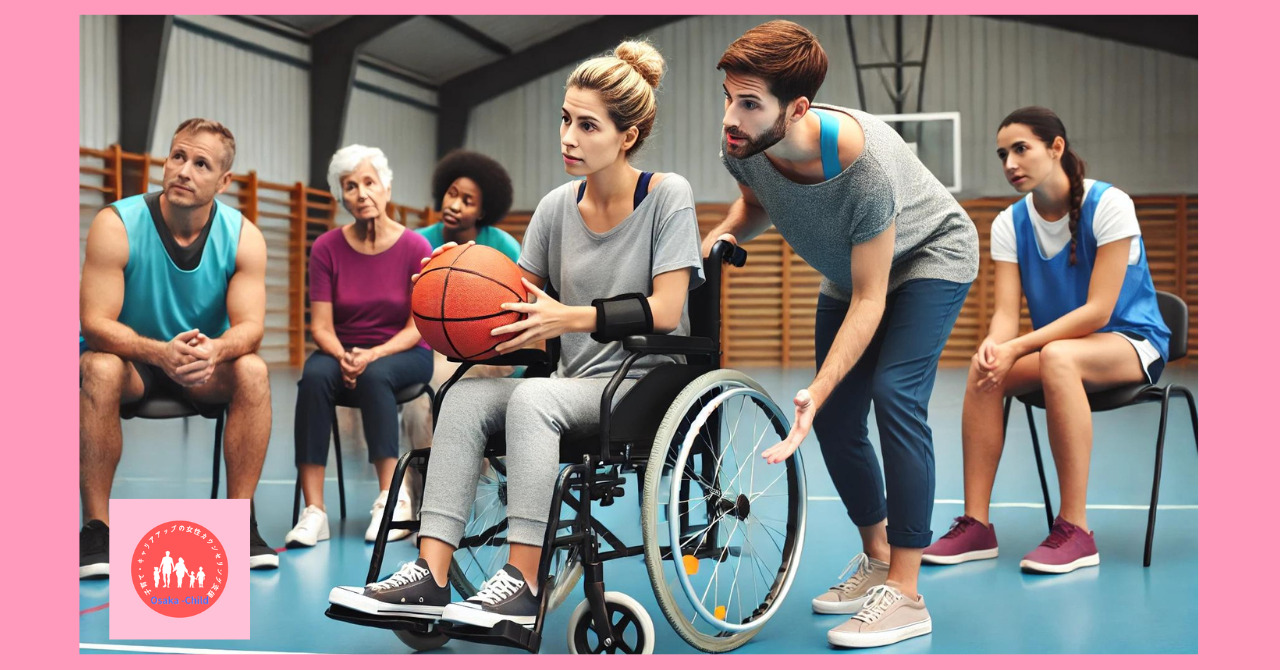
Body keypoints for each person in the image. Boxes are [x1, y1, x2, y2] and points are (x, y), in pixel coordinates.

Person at [329, 39, 704, 629]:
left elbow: (666, 309)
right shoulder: (556, 206)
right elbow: (509, 302)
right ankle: (428, 573)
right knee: (464, 397)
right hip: (574, 383)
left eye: (586, 125)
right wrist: (458, 275)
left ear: (626, 136)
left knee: (532, 397)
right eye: (564, 119)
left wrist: (569, 317)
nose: (568, 138)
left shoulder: (667, 197)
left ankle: (523, 581)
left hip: (646, 379)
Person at [703, 21, 978, 648]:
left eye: (749, 103)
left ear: (797, 108)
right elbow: (757, 201)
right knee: (835, 420)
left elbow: (873, 298)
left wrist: (816, 387)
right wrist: (723, 234)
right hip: (850, 268)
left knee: (895, 397)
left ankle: (907, 594)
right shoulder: (742, 141)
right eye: (728, 97)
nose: (731, 116)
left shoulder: (866, 169)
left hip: (928, 258)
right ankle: (877, 557)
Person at [921, 106, 1170, 574]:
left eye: (1021, 149)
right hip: (1066, 352)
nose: (1010, 163)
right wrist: (998, 347)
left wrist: (1021, 346)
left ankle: (1076, 529)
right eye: (1002, 154)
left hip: (1132, 343)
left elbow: (1098, 311)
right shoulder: (1007, 224)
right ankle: (977, 525)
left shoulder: (1110, 205)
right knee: (984, 370)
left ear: (1056, 148)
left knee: (1056, 356)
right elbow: (1004, 315)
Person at [79, 118, 278, 578]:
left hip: (200, 365)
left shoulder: (244, 236)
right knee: (99, 367)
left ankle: (239, 523)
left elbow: (250, 328)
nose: (184, 170)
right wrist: (160, 353)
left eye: (201, 163)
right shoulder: (117, 224)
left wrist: (215, 351)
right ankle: (96, 529)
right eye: (177, 157)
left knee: (252, 370)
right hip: (133, 363)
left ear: (224, 181)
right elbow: (95, 323)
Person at [285, 145, 435, 548]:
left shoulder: (416, 249)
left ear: (386, 188)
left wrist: (372, 355)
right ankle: (314, 511)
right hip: (343, 350)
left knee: (375, 375)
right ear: (341, 196)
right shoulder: (326, 248)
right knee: (313, 378)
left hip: (404, 353)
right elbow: (320, 325)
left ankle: (392, 498)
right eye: (350, 186)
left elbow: (416, 327)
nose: (361, 193)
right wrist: (342, 355)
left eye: (369, 182)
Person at [417, 149, 519, 262]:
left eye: (468, 202)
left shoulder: (504, 248)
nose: (454, 207)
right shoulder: (418, 242)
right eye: (452, 194)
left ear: (481, 213)